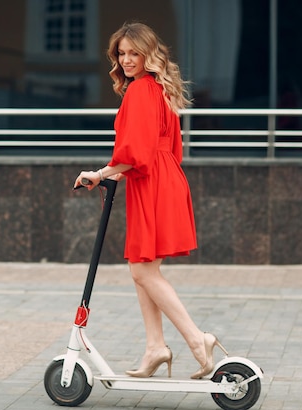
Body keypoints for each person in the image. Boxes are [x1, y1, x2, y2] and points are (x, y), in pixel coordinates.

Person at [74, 22, 226, 379]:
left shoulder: (141, 90)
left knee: (143, 270)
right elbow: (167, 148)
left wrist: (100, 173)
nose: (126, 60)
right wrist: (122, 172)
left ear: (148, 54)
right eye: (121, 54)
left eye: (133, 53)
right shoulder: (159, 88)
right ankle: (155, 347)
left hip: (153, 181)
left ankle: (196, 339)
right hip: (160, 179)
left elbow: (137, 153)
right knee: (142, 269)